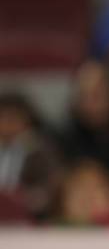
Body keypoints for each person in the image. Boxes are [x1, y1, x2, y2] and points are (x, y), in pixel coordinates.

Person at [0, 90, 62, 220]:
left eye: (14, 118)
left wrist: (26, 198)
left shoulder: (41, 150)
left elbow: (51, 186)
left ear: (27, 120)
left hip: (30, 218)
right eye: (3, 117)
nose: (8, 124)